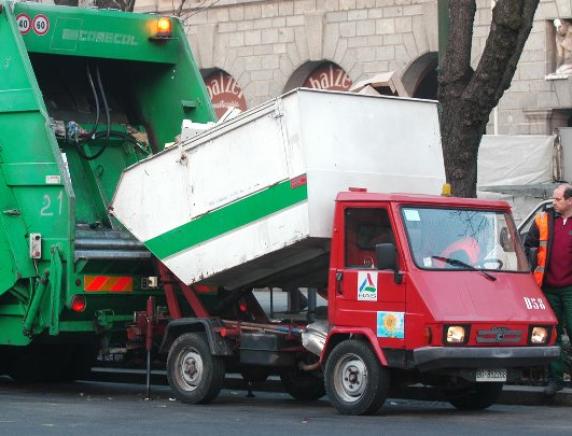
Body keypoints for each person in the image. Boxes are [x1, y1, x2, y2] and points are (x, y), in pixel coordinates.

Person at [525, 183, 572, 396]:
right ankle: (555, 380)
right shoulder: (543, 219)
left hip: (570, 289)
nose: (554, 203)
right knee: (552, 335)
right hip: (549, 287)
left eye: (558, 199)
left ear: (570, 201)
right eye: (553, 199)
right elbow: (528, 245)